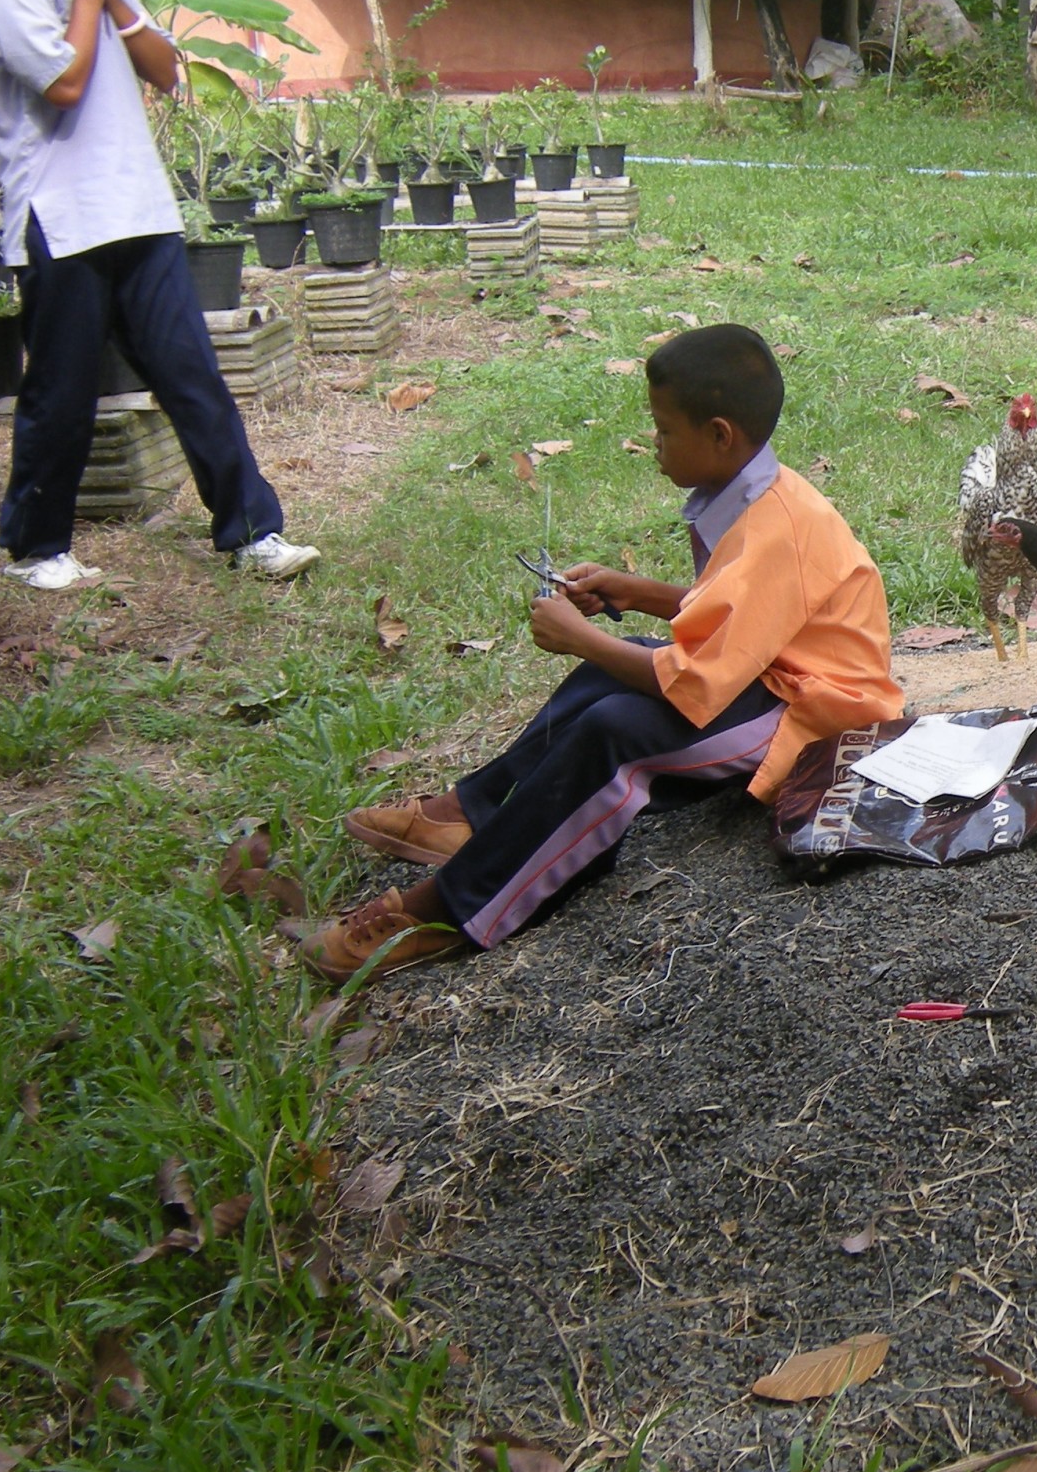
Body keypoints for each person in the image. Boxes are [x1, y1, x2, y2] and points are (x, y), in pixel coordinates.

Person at [302, 324, 904, 982]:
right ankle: (465, 815)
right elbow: (744, 618)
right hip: (774, 676)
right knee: (601, 680)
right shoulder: (760, 495)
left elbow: (693, 685)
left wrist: (578, 636)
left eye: (664, 430)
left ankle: (449, 912)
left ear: (720, 435)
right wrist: (636, 594)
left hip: (816, 715)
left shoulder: (777, 525)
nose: (654, 444)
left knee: (614, 731)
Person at [0, 0, 318, 590]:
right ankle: (37, 549)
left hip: (142, 210)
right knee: (61, 391)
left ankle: (253, 533)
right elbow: (62, 85)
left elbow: (165, 71)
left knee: (193, 377)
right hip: (61, 217)